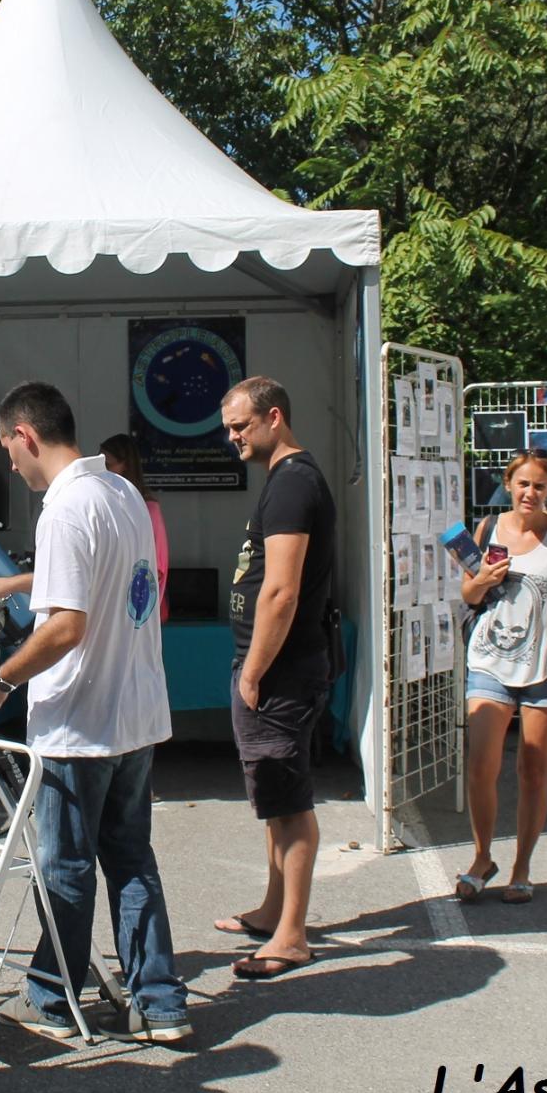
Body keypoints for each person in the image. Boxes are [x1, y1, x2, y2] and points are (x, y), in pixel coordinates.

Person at [0, 381, 189, 1043]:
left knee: (65, 867)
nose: (10, 463)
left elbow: (66, 626)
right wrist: (16, 582)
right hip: (135, 716)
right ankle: (161, 1001)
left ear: (26, 436)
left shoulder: (61, 510)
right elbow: (104, 575)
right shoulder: (120, 493)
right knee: (131, 860)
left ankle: (54, 1000)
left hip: (78, 722)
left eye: (9, 449)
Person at [215, 376, 337, 979]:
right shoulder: (285, 481)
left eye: (241, 426)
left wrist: (254, 672)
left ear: (275, 417)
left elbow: (282, 591)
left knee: (289, 801)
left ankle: (291, 936)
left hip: (281, 673)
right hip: (273, 669)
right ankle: (271, 911)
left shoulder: (293, 484)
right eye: (229, 428)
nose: (233, 437)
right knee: (272, 796)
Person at [455, 449, 547, 905]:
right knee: (481, 765)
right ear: (509, 484)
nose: (530, 493)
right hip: (490, 661)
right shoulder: (486, 530)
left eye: (539, 485)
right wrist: (483, 579)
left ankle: (521, 867)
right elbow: (469, 594)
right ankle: (481, 857)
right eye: (522, 484)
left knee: (532, 771)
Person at [100, 433, 170, 622]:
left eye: (108, 465)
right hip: (105, 609)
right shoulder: (99, 504)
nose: (101, 471)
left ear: (126, 465)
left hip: (135, 611)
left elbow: (158, 567)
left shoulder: (149, 509)